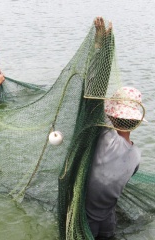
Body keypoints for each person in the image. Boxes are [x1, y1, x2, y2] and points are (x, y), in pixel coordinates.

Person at [85, 18, 147, 240]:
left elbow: (92, 93)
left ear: (111, 115)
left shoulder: (103, 136)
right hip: (108, 217)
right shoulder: (136, 157)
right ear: (137, 122)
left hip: (89, 218)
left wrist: (99, 47)